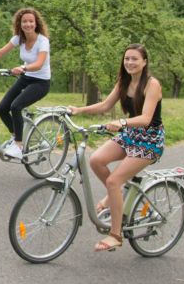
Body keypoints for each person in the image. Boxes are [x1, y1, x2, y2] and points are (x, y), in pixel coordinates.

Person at [67, 43, 164, 253]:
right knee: (96, 160)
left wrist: (121, 123)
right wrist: (78, 110)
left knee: (113, 180)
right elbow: (104, 106)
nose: (129, 62)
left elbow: (147, 118)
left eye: (134, 59)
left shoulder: (152, 84)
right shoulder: (124, 81)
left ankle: (115, 235)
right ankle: (115, 195)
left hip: (150, 139)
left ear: (144, 62)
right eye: (127, 58)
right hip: (131, 134)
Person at [0, 7, 51, 160]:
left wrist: (23, 67)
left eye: (31, 21)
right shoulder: (18, 38)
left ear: (36, 24)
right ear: (19, 24)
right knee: (2, 108)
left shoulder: (43, 41)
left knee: (16, 106)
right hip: (26, 77)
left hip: (41, 82)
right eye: (24, 21)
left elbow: (39, 64)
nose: (27, 24)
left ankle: (19, 145)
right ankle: (16, 136)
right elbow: (0, 52)